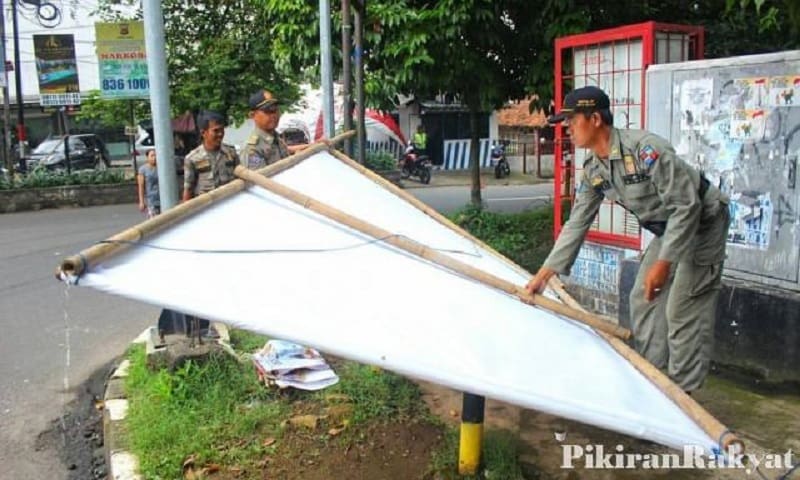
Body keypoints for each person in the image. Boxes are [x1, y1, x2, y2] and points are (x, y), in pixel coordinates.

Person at [525, 86, 730, 394]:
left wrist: (663, 263)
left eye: (571, 121)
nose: (567, 129)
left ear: (594, 119)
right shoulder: (595, 169)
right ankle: (655, 380)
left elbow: (687, 206)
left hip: (703, 222)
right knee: (643, 298)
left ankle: (684, 400)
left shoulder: (646, 150)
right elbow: (577, 222)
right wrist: (544, 275)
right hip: (670, 229)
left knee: (682, 308)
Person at [182, 111, 240, 201]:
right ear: (203, 133)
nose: (220, 134)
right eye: (216, 131)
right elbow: (188, 190)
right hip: (206, 208)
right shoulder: (192, 159)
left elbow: (240, 179)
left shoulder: (231, 153)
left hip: (230, 203)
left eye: (222, 130)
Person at [240, 89, 292, 170]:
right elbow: (260, 181)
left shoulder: (276, 138)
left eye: (275, 110)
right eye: (268, 111)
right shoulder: (252, 149)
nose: (274, 115)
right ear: (252, 115)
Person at [137, 150, 160, 218]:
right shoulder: (143, 169)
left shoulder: (161, 168)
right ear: (147, 157)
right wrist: (141, 201)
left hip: (162, 199)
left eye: (155, 155)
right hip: (151, 200)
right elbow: (141, 187)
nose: (154, 158)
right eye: (152, 156)